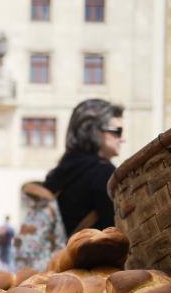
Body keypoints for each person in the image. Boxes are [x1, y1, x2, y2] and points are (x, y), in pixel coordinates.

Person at [44, 99, 125, 237]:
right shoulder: (104, 172)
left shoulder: (61, 170)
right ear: (93, 131)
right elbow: (116, 232)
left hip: (60, 256)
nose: (122, 138)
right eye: (117, 131)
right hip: (92, 256)